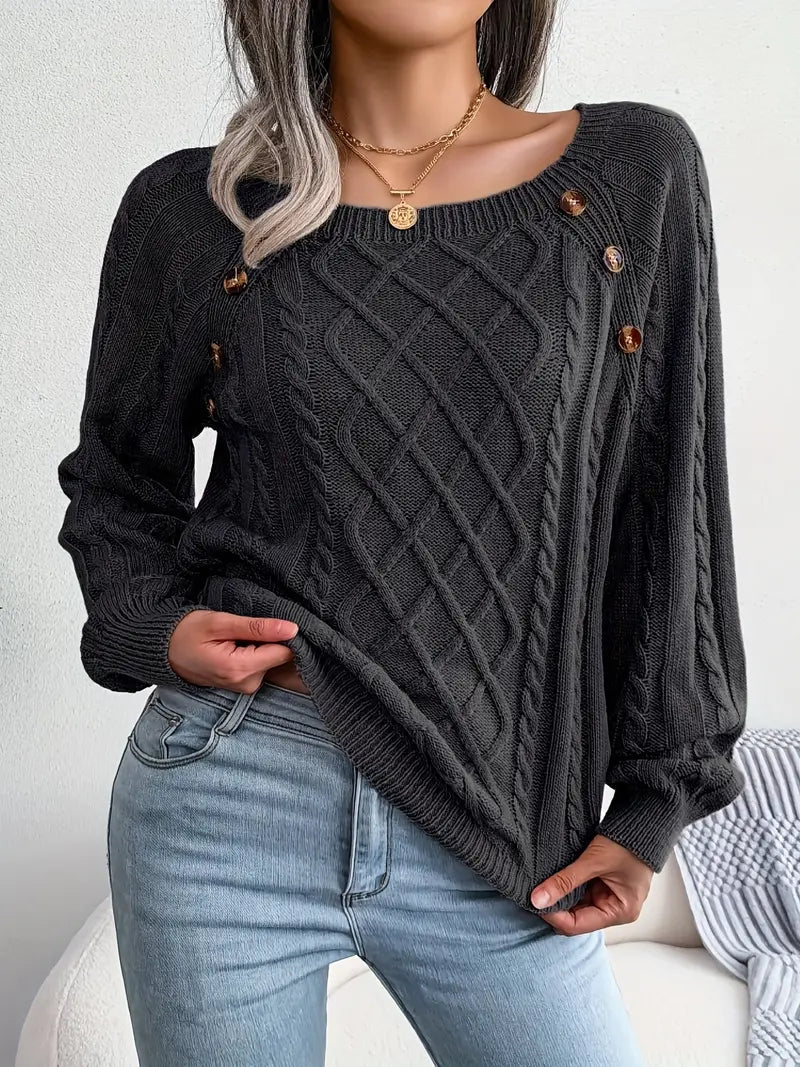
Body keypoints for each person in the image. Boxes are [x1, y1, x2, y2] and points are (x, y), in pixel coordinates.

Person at [56, 1, 748, 1064]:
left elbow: (670, 503)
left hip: (501, 821)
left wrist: (654, 803)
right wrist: (157, 626)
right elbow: (116, 480)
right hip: (231, 794)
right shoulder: (198, 212)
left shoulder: (629, 176)